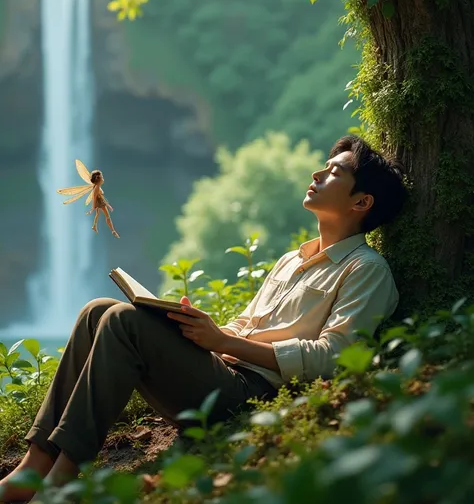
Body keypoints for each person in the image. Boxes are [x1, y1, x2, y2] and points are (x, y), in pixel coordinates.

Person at [0, 134, 408, 501]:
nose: (318, 173)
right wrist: (195, 327)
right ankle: (32, 468)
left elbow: (335, 357)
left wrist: (225, 343)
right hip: (219, 371)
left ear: (361, 202)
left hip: (253, 395)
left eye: (335, 171)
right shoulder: (291, 260)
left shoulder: (365, 269)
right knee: (97, 312)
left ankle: (61, 483)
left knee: (123, 322)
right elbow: (244, 326)